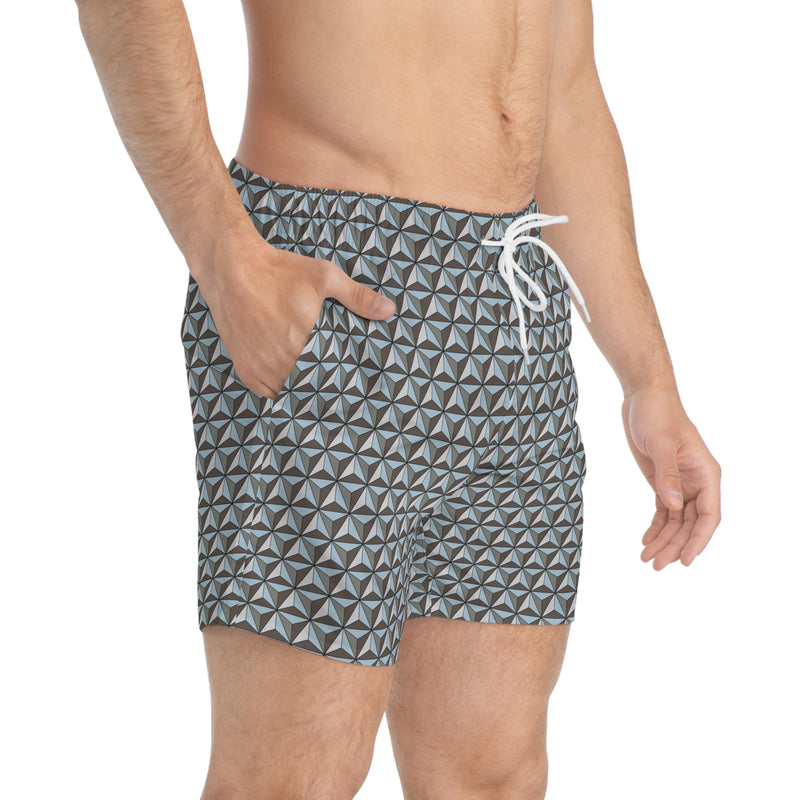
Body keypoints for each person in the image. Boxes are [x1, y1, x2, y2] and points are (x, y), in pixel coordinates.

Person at [74, 1, 722, 798]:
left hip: (513, 305)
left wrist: (649, 379)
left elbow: (565, 92)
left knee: (492, 775)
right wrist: (223, 253)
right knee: (292, 778)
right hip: (337, 280)